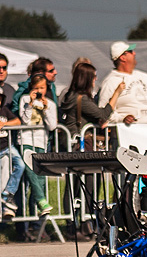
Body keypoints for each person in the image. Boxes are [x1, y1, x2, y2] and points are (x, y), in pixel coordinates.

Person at [17, 73, 57, 216]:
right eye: (36, 88)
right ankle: (41, 200)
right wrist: (30, 104)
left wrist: (45, 109)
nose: (39, 91)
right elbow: (25, 121)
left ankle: (38, 210)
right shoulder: (25, 99)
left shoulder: (50, 104)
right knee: (30, 170)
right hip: (26, 140)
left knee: (40, 175)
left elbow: (52, 126)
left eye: (42, 88)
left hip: (41, 142)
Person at [60, 62, 124, 136]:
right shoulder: (82, 99)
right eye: (94, 76)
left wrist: (98, 120)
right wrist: (117, 92)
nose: (96, 79)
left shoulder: (73, 95)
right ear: (87, 78)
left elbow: (90, 114)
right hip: (77, 139)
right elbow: (103, 114)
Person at [0, 96, 24, 220]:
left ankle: (8, 193)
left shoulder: (4, 110)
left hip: (7, 147)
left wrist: (4, 124)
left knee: (20, 165)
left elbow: (17, 121)